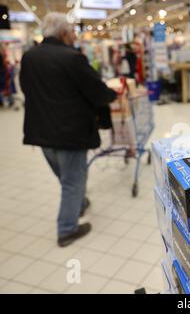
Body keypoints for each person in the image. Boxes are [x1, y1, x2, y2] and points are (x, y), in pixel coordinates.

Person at [20, 13, 117, 247]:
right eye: (73, 31)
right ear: (63, 33)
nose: (75, 35)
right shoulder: (72, 58)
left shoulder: (29, 56)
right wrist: (113, 94)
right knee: (72, 181)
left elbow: (26, 88)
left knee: (67, 178)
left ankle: (79, 204)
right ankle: (66, 230)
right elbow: (97, 92)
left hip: (41, 132)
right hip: (70, 133)